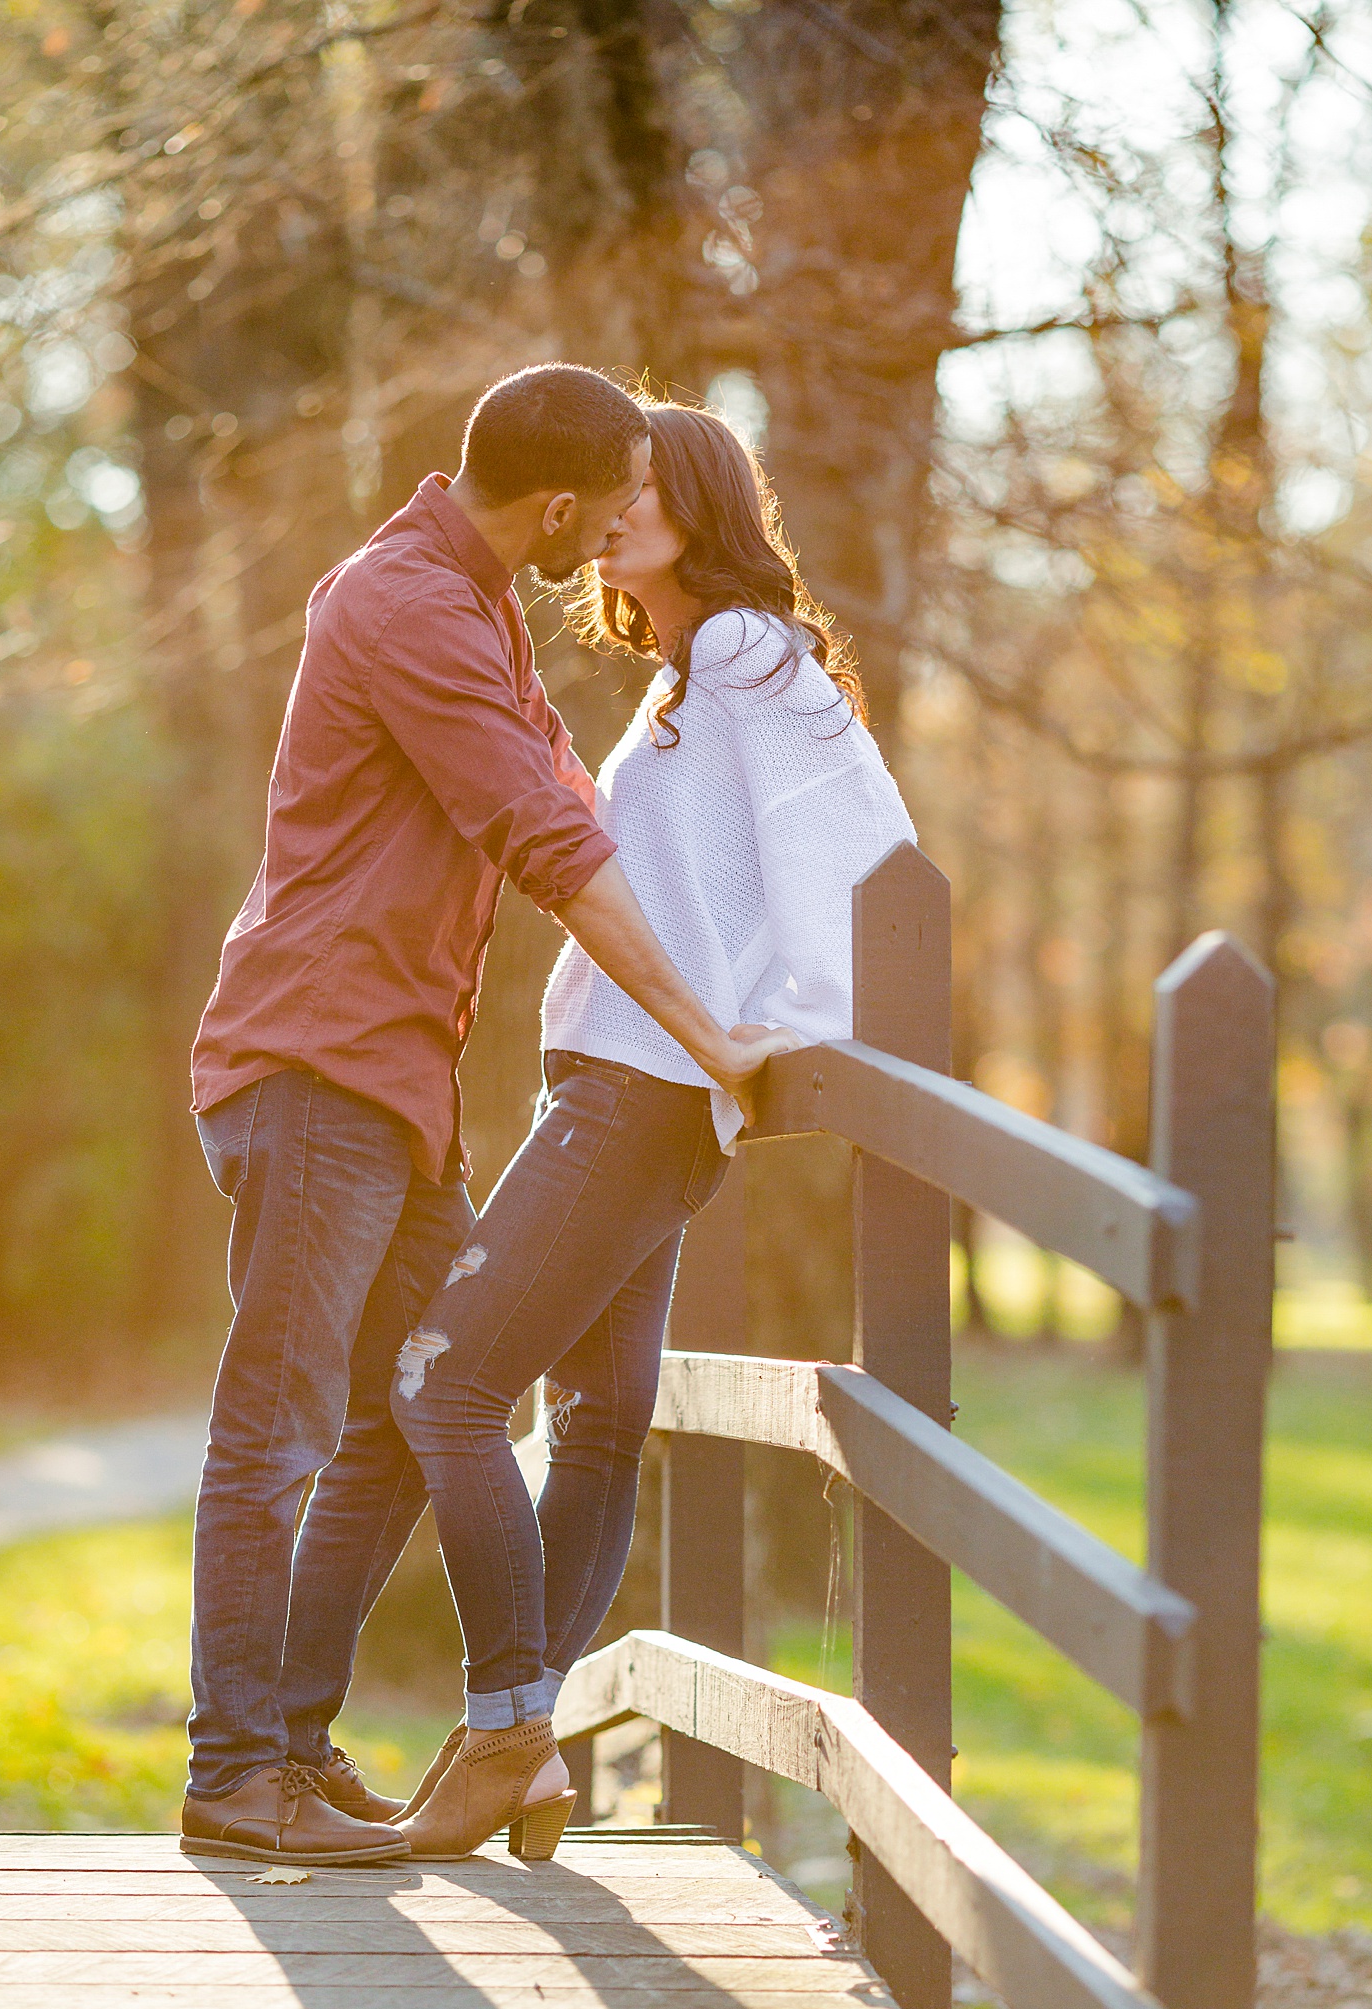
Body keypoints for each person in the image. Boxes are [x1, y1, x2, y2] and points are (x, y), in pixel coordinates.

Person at [181, 365, 786, 1866]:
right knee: (283, 1422)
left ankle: (295, 1747)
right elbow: (548, 837)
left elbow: (580, 800)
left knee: (413, 1400)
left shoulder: (481, 606)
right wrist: (708, 1030)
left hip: (393, 1084)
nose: (627, 521)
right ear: (564, 504)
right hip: (318, 1063)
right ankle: (236, 1769)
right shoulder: (404, 605)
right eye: (622, 493)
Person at [387, 399, 917, 1862]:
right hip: (625, 1088)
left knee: (442, 1386)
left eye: (640, 486)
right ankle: (524, 1729)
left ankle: (504, 1732)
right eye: (605, 489)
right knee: (600, 1427)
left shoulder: (751, 657)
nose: (610, 509)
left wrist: (794, 1025)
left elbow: (860, 840)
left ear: (700, 502)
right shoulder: (692, 674)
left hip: (640, 1096)